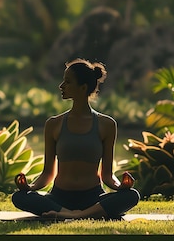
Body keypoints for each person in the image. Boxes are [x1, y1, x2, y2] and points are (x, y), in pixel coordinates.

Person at [12, 58, 140, 220]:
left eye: (67, 82)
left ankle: (71, 215)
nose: (61, 86)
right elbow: (47, 173)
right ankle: (78, 214)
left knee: (131, 195)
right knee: (20, 197)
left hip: (93, 197)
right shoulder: (53, 124)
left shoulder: (106, 124)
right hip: (58, 198)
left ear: (83, 87)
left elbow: (107, 174)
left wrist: (120, 186)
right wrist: (29, 186)